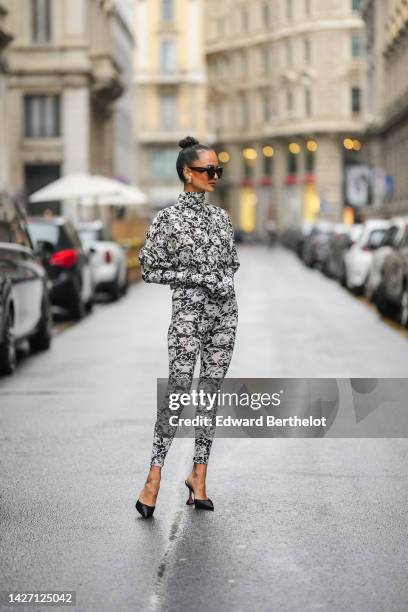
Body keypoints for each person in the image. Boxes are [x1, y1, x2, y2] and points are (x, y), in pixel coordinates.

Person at [135, 136, 240, 518]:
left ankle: (199, 477)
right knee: (178, 395)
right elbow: (149, 268)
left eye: (218, 170)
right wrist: (196, 277)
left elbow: (232, 262)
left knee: (209, 397)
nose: (214, 176)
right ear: (187, 173)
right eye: (207, 170)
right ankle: (154, 477)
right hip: (187, 316)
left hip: (224, 315)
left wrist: (224, 279)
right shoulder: (167, 219)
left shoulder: (222, 217)